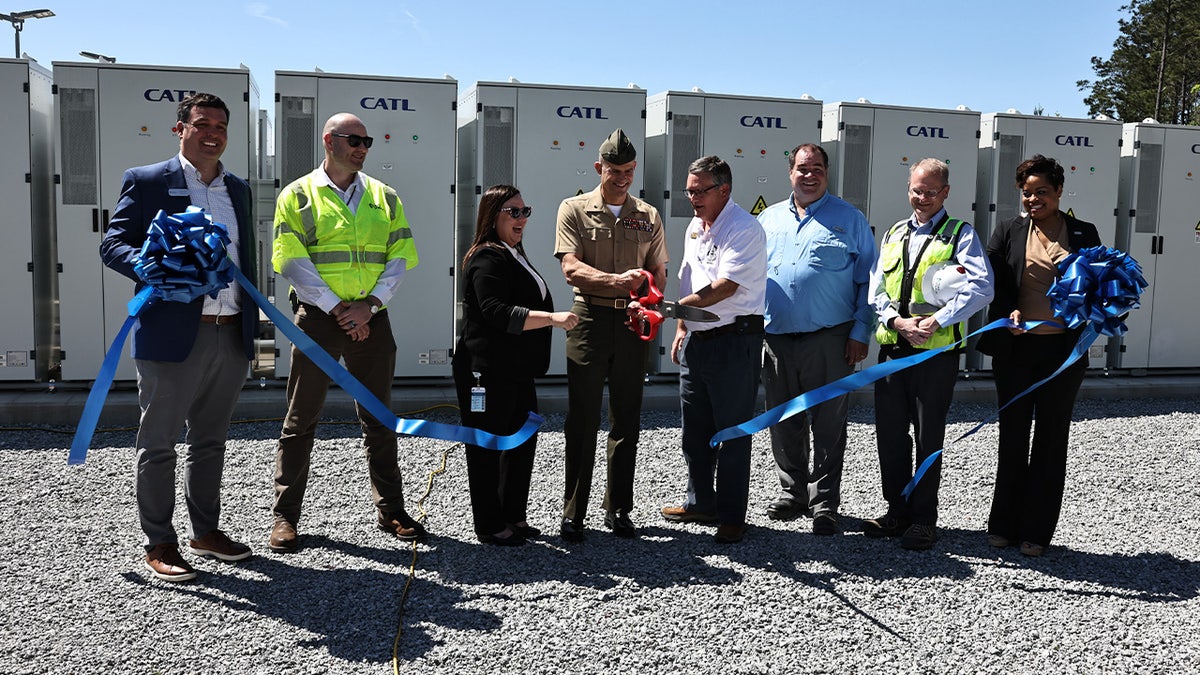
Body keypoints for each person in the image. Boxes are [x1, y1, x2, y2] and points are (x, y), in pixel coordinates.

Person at [99, 92, 257, 582]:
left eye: (221, 126)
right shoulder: (148, 180)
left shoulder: (239, 189)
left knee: (210, 441)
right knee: (160, 442)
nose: (213, 133)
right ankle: (160, 542)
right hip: (171, 334)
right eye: (202, 123)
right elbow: (113, 242)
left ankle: (205, 533)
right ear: (180, 129)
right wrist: (149, 267)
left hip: (229, 331)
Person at [270, 112, 422, 552]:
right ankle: (285, 517)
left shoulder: (384, 196)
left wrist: (369, 306)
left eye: (366, 140)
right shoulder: (297, 195)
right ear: (328, 141)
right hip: (321, 318)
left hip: (372, 316)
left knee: (379, 417)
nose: (362, 147)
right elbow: (291, 260)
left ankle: (391, 508)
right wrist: (340, 308)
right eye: (353, 139)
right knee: (301, 420)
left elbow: (400, 255)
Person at [862, 158, 994, 550]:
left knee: (928, 436)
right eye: (916, 191)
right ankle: (896, 511)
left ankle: (923, 518)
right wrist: (896, 321)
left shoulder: (960, 235)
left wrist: (936, 321)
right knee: (889, 435)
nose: (922, 198)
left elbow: (982, 288)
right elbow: (876, 291)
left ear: (946, 193)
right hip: (894, 349)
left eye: (931, 192)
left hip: (934, 355)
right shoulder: (893, 232)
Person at [977, 154, 1101, 558]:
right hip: (1015, 351)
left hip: (1062, 354)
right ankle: (1003, 526)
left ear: (1059, 191)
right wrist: (1004, 312)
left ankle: (1036, 532)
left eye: (1042, 192)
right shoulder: (1008, 230)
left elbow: (1100, 287)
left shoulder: (1084, 233)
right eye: (1027, 193)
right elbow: (989, 283)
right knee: (1013, 437)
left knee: (1051, 440)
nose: (1033, 199)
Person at [554, 128, 669, 541]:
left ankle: (618, 508)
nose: (623, 178)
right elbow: (571, 268)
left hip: (632, 323)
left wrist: (650, 298)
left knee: (627, 418)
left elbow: (659, 270)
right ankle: (573, 512)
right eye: (615, 171)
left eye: (629, 171)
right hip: (588, 320)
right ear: (599, 167)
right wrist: (616, 281)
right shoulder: (574, 208)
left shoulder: (648, 215)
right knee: (582, 419)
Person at [758, 143, 877, 536]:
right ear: (789, 172)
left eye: (818, 168)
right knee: (784, 419)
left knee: (828, 424)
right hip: (775, 338)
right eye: (802, 168)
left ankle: (824, 501)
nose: (810, 175)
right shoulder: (768, 219)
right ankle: (793, 493)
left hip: (830, 338)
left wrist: (861, 332)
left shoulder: (850, 219)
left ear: (827, 172)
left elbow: (868, 283)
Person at [454, 185, 579, 546]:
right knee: (488, 446)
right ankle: (490, 524)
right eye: (513, 212)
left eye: (525, 211)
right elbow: (495, 312)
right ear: (492, 216)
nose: (522, 218)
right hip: (487, 371)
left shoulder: (512, 253)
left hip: (515, 370)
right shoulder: (486, 258)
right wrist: (552, 318)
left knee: (522, 438)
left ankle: (513, 515)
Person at [658, 156, 766, 544]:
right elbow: (691, 275)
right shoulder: (694, 226)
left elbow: (725, 287)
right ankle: (701, 501)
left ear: (724, 190)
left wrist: (673, 309)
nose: (692, 198)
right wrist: (682, 327)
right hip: (698, 341)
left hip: (735, 341)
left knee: (733, 432)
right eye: (688, 190)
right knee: (695, 430)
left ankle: (732, 516)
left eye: (699, 191)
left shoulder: (744, 228)